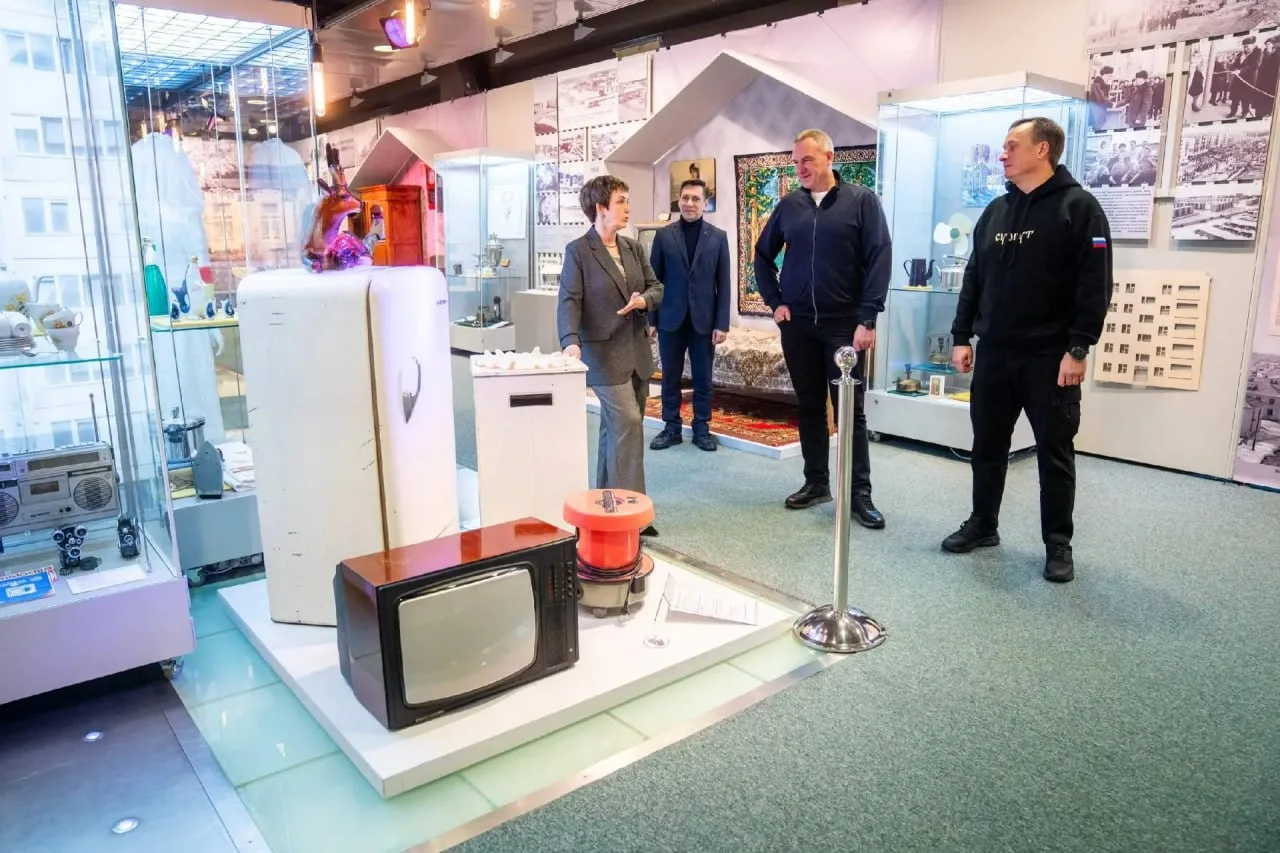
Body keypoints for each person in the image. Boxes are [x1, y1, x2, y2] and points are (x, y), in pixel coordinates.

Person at [943, 116, 1113, 583]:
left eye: (1012, 145)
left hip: (1050, 357)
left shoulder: (1080, 208)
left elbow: (1095, 284)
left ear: (1043, 150)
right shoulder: (995, 211)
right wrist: (962, 336)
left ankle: (1058, 543)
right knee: (987, 445)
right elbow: (974, 276)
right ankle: (983, 523)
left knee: (1054, 452)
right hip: (995, 352)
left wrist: (1078, 348)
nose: (1003, 154)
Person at [753, 128, 892, 528]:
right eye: (796, 161)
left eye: (807, 160)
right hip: (798, 325)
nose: (800, 168)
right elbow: (762, 256)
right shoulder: (789, 206)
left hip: (843, 326)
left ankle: (858, 494)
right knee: (810, 404)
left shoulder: (861, 201)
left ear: (829, 157)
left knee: (850, 411)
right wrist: (775, 302)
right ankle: (816, 483)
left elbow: (880, 257)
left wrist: (868, 318)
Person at [558, 175, 664, 535]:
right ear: (600, 207)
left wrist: (643, 300)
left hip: (636, 352)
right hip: (601, 355)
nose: (628, 207)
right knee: (628, 423)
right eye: (621, 201)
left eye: (627, 200)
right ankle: (632, 514)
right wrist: (570, 340)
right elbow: (569, 300)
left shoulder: (633, 248)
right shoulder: (578, 251)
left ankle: (606, 502)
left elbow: (656, 287)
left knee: (614, 429)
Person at [648, 179, 731, 453]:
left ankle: (701, 429)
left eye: (696, 199)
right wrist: (651, 320)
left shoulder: (718, 237)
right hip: (670, 319)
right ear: (678, 201)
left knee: (703, 378)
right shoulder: (664, 236)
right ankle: (671, 427)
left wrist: (721, 323)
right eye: (685, 198)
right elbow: (654, 281)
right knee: (669, 377)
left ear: (705, 203)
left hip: (703, 321)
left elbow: (724, 284)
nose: (689, 203)